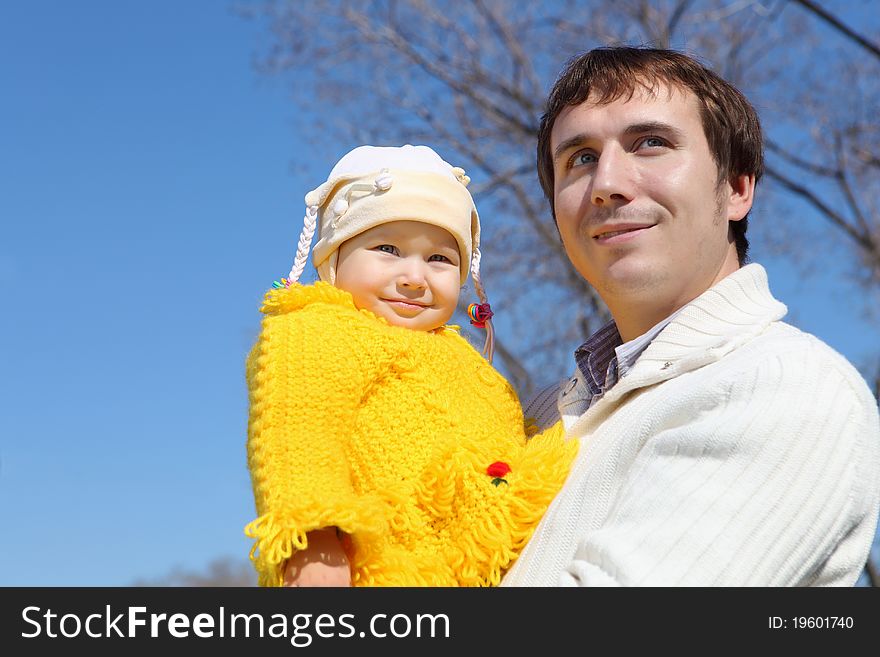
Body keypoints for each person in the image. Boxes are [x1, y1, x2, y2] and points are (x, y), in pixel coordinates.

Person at [501, 46, 880, 586]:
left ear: (736, 188)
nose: (607, 181)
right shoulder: (533, 416)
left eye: (650, 143)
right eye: (580, 158)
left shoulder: (786, 385)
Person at [244, 145, 577, 587]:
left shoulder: (466, 359)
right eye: (387, 248)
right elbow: (298, 432)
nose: (414, 277)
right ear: (334, 261)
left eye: (439, 258)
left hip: (497, 552)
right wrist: (315, 540)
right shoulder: (319, 328)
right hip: (391, 563)